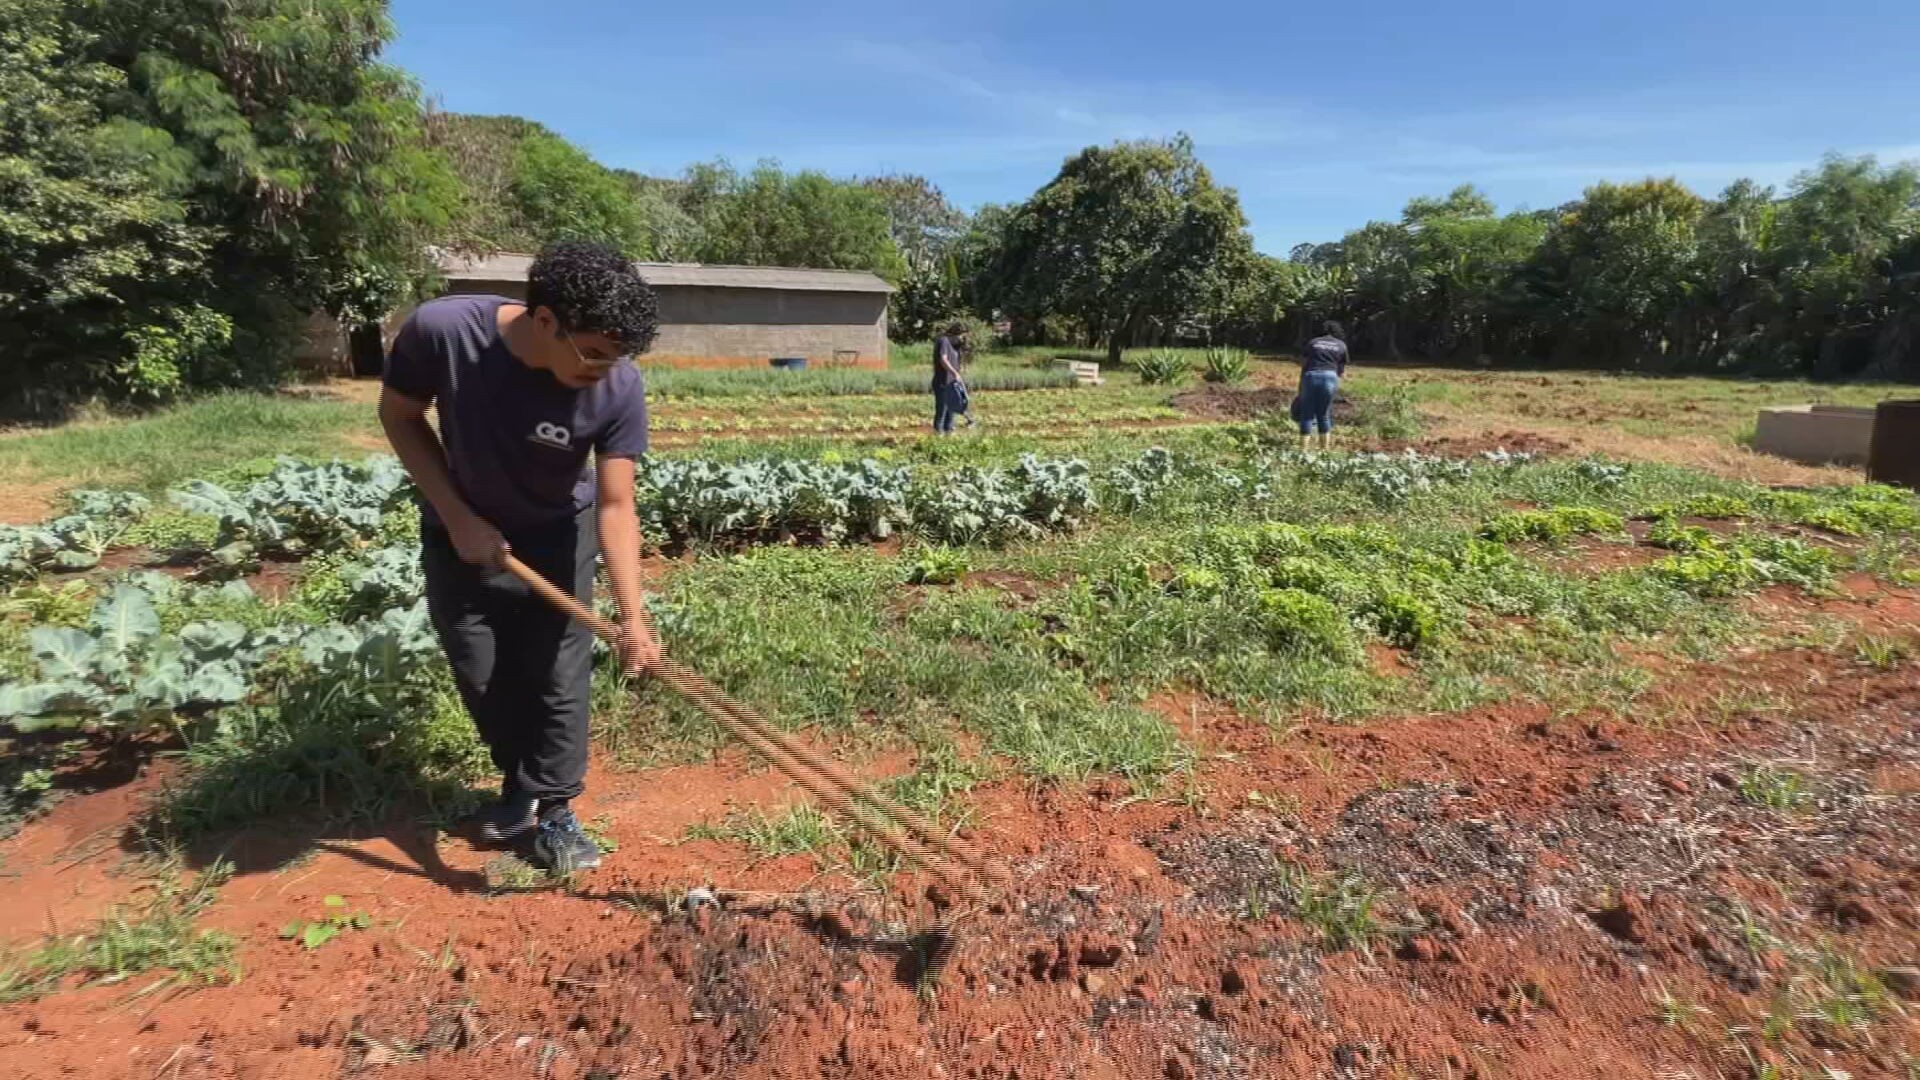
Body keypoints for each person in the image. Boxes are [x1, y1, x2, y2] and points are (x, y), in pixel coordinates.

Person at [378, 241, 664, 874]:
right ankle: (520, 782)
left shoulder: (618, 384)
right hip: (461, 532)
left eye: (619, 356)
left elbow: (616, 506)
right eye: (593, 352)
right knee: (483, 676)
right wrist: (457, 516)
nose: (607, 368)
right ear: (544, 322)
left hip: (560, 535)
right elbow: (398, 414)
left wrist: (632, 618)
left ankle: (557, 809)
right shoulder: (443, 332)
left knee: (558, 680)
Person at [1295, 320, 1349, 451]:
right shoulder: (1341, 345)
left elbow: (1304, 362)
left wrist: (1302, 384)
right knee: (1324, 413)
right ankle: (1324, 450)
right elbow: (1340, 370)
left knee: (1307, 414)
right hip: (1330, 378)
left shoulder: (1313, 342)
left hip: (1311, 376)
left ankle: (1303, 450)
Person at [931, 322, 968, 434]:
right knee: (942, 410)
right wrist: (954, 373)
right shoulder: (944, 341)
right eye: (962, 336)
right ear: (956, 333)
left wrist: (959, 372)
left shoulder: (955, 346)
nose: (963, 339)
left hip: (952, 383)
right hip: (942, 382)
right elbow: (943, 359)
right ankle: (938, 434)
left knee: (951, 410)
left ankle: (949, 433)